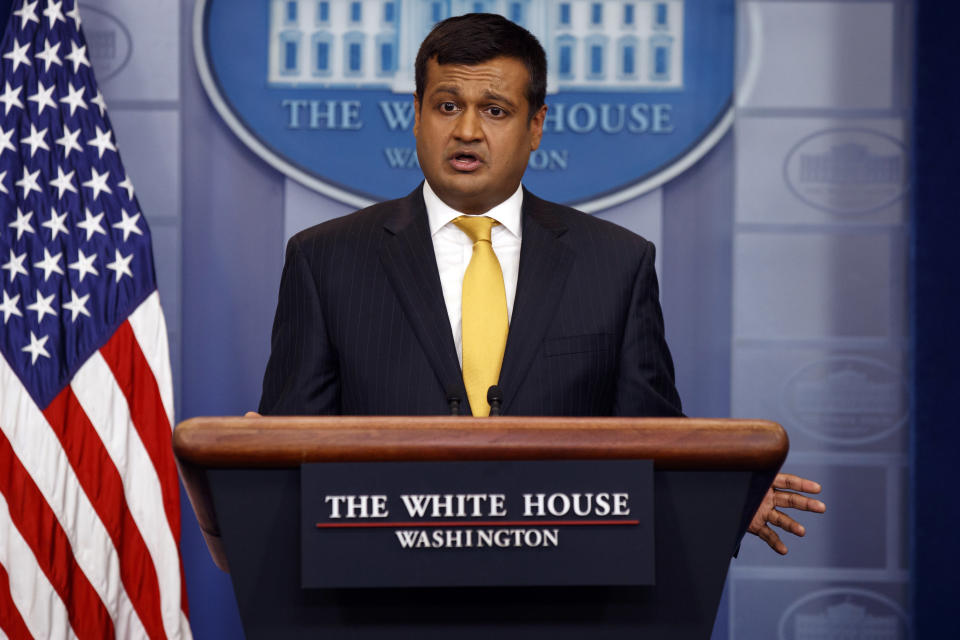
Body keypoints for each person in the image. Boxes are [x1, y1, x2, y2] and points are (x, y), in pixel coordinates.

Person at [255, 13, 823, 553]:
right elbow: (293, 449)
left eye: (496, 111)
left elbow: (651, 438)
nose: (468, 131)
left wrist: (720, 496)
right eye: (447, 105)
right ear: (416, 115)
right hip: (375, 587)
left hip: (560, 589)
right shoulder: (325, 258)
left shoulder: (616, 263)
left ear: (536, 127)